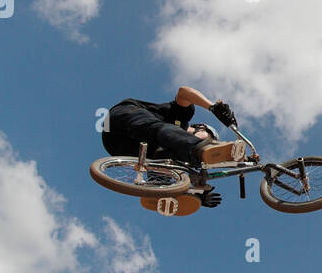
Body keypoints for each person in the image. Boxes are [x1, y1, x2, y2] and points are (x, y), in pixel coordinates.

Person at [101, 88, 244, 208]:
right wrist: (213, 107)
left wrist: (197, 194)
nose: (208, 140)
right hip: (122, 117)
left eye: (210, 142)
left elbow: (192, 176)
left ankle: (159, 193)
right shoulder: (181, 116)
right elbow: (184, 92)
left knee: (168, 162)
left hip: (117, 146)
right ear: (199, 127)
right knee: (162, 131)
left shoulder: (176, 150)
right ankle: (199, 149)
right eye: (208, 138)